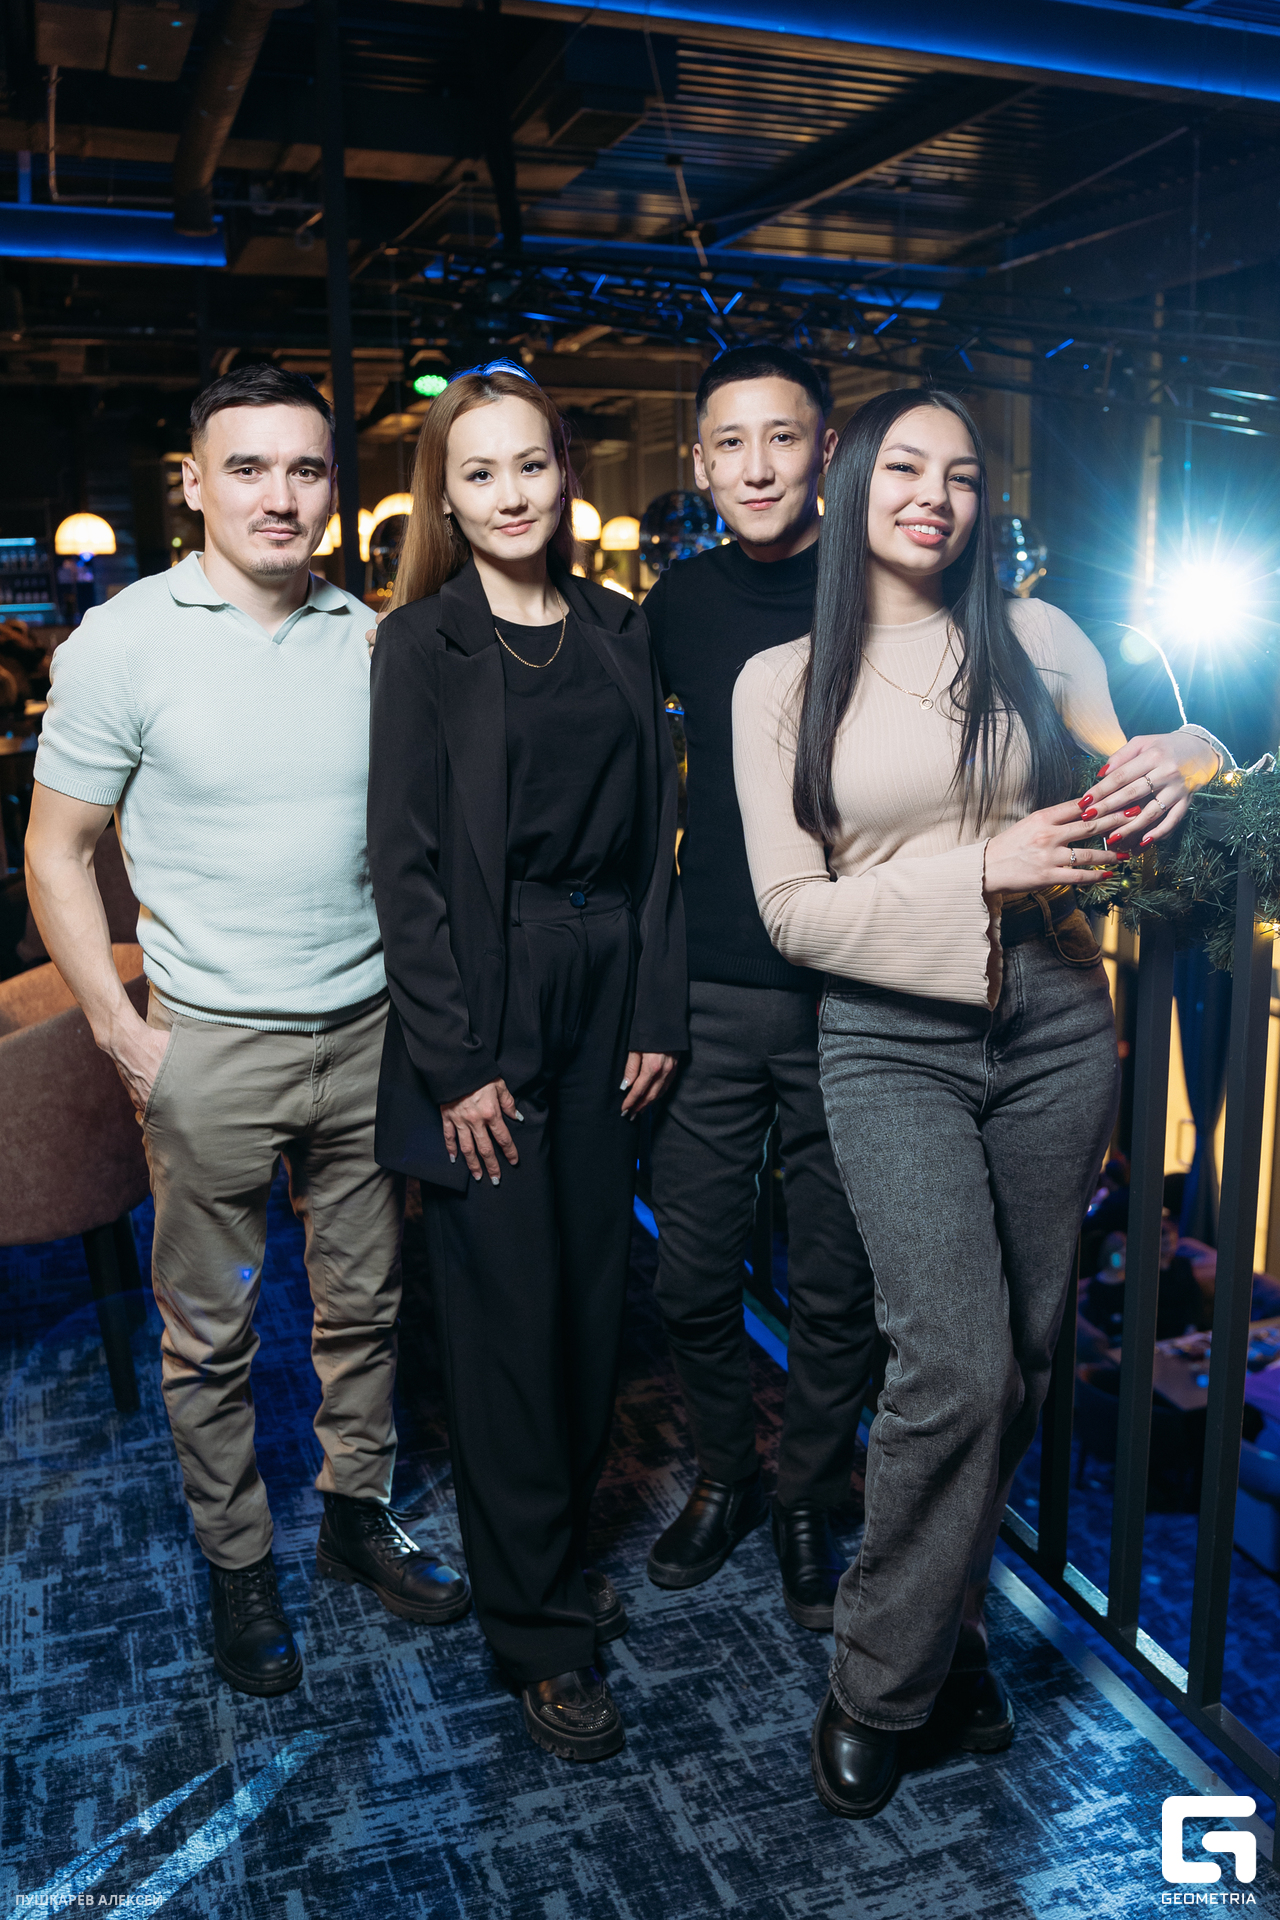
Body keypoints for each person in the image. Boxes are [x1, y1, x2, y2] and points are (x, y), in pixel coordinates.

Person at [732, 385, 1234, 1818]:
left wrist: (1189, 757)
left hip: (1057, 1023)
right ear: (850, 481)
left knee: (1019, 1356)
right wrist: (979, 870)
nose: (933, 498)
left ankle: (946, 1633)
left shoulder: (1038, 636)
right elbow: (792, 915)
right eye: (905, 467)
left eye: (960, 476)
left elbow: (1155, 766)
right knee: (952, 1360)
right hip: (888, 1039)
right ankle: (878, 1682)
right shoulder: (782, 679)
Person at [24, 364, 469, 1699]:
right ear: (196, 485)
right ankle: (237, 1564)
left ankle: (353, 1516)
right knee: (210, 1331)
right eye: (249, 467)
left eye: (306, 469)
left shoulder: (374, 639)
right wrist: (119, 1031)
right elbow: (55, 851)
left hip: (368, 1033)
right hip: (209, 1044)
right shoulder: (124, 643)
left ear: (334, 486)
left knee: (365, 1306)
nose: (281, 496)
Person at [365, 361, 686, 1763]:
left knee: (591, 1308)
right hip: (484, 997)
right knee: (503, 1322)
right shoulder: (418, 645)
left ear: (567, 472)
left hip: (608, 982)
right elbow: (405, 869)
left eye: (531, 464)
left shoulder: (618, 629)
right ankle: (537, 1630)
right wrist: (452, 1063)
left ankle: (546, 1555)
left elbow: (659, 840)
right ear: (445, 496)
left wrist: (655, 1008)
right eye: (479, 472)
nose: (510, 494)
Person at [642, 343, 878, 1631]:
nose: (755, 466)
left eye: (780, 438)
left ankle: (803, 1493)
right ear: (698, 464)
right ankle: (727, 1473)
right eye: (728, 443)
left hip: (854, 992)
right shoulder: (676, 604)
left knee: (838, 1286)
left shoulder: (881, 590)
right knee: (689, 1273)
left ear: (823, 451)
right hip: (713, 988)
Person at [1080, 1222, 1206, 1344]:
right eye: (1122, 1255)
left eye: (1129, 1255)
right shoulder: (1099, 1284)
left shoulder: (1131, 1280)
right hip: (1118, 1339)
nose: (1127, 1259)